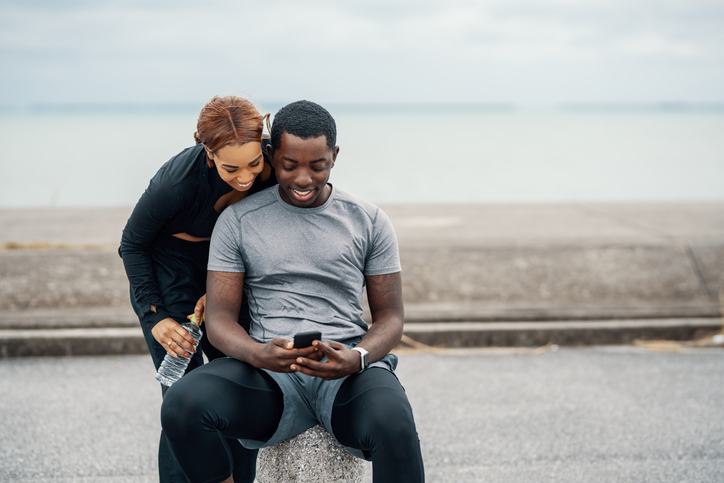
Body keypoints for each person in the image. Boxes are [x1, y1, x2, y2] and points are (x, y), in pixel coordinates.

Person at [160, 100, 425, 483]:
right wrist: (259, 354)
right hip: (269, 375)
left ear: (334, 156)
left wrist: (359, 357)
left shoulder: (368, 220)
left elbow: (391, 317)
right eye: (289, 165)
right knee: (181, 405)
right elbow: (219, 319)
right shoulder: (238, 221)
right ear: (271, 155)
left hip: (346, 370)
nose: (303, 178)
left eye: (317, 165)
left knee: (395, 422)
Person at [119, 95, 275, 483]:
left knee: (238, 385)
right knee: (184, 399)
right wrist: (154, 315)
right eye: (231, 167)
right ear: (207, 151)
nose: (245, 177)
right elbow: (132, 244)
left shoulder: (273, 162)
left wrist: (224, 284)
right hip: (168, 270)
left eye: (254, 163)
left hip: (227, 264)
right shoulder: (176, 183)